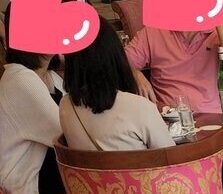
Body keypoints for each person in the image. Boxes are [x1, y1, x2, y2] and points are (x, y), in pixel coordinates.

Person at [124, 21, 223, 194]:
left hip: (214, 120)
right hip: (172, 125)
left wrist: (217, 21)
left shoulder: (216, 33)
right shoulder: (153, 33)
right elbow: (118, 63)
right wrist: (136, 74)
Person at [60, 18, 173, 152]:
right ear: (115, 53)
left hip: (84, 167)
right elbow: (172, 156)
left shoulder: (65, 105)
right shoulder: (140, 107)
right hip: (142, 166)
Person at [0, 5, 64, 194]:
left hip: (53, 172)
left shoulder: (51, 76)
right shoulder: (20, 79)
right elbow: (67, 134)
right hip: (30, 185)